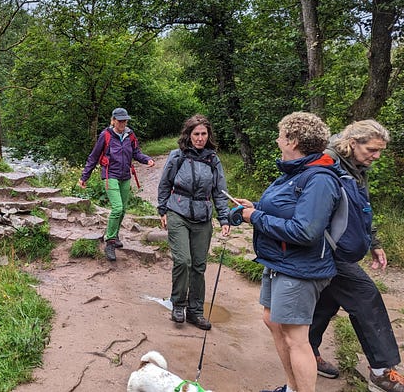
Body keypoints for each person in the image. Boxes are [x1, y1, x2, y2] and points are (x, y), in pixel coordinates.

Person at [236, 112, 341, 392]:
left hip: (301, 268)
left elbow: (305, 231)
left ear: (293, 141)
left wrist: (254, 218)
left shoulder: (319, 179)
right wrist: (255, 207)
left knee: (296, 338)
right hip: (281, 262)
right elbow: (285, 210)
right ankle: (291, 388)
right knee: (273, 321)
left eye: (281, 135)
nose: (277, 139)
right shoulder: (294, 172)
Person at [307, 120, 403, 392]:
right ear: (352, 143)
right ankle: (381, 372)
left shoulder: (356, 167)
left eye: (380, 151)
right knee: (365, 296)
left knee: (326, 302)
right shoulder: (328, 164)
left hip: (338, 249)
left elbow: (363, 208)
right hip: (326, 251)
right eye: (372, 150)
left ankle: (307, 351)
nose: (377, 156)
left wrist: (374, 241)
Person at [156, 114, 230, 330]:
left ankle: (195, 311)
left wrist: (224, 218)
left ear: (209, 135)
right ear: (188, 135)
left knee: (199, 265)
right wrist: (162, 210)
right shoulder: (177, 156)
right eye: (196, 134)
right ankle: (178, 304)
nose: (199, 138)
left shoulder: (213, 160)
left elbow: (220, 191)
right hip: (177, 211)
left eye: (203, 134)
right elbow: (164, 183)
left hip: (203, 216)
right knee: (183, 261)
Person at [78, 107, 155, 262]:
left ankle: (115, 234)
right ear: (113, 120)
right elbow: (93, 157)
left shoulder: (130, 135)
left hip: (125, 175)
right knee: (117, 208)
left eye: (124, 120)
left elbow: (136, 153)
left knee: (123, 209)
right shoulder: (105, 135)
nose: (122, 123)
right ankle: (110, 242)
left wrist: (146, 159)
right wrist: (84, 177)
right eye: (119, 120)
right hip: (109, 175)